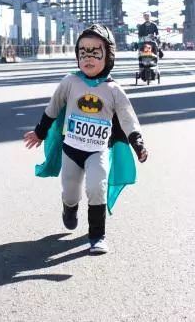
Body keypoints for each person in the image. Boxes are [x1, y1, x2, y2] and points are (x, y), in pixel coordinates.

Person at [23, 24, 148, 255]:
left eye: (95, 52)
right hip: (71, 149)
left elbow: (128, 119)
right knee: (70, 192)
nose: (88, 58)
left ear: (108, 56)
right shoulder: (70, 82)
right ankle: (69, 209)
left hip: (98, 150)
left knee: (96, 188)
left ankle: (97, 236)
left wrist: (138, 143)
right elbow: (52, 109)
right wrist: (39, 133)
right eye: (83, 52)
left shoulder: (113, 90)